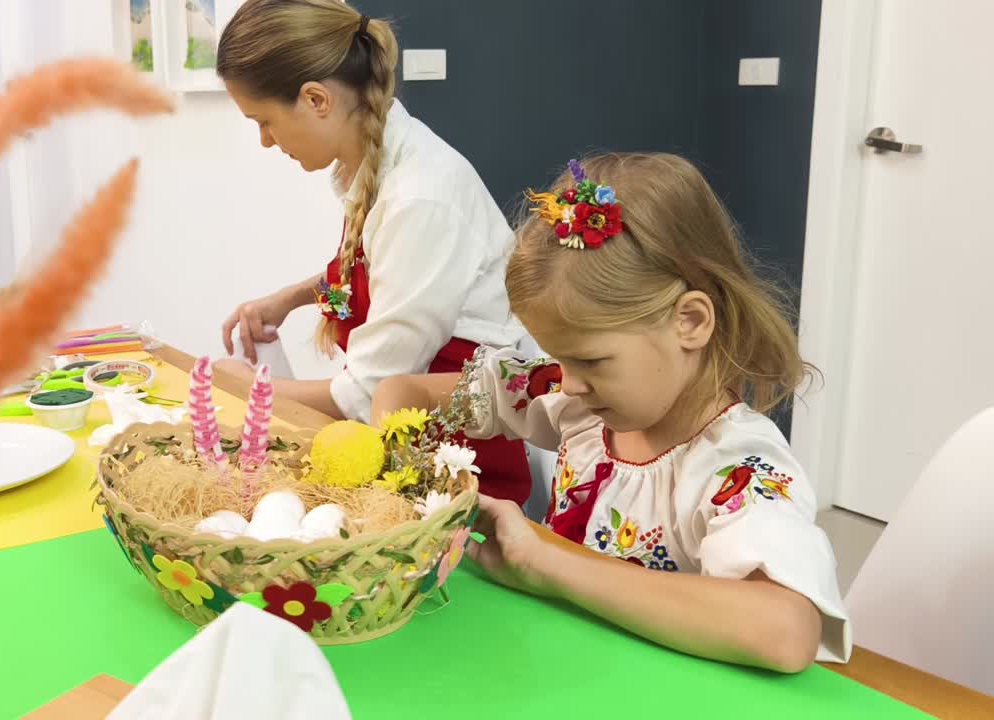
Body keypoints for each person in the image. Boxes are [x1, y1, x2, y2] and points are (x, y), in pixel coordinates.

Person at [371, 153, 850, 672]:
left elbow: (785, 631)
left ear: (690, 321)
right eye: (558, 358)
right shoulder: (575, 400)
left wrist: (547, 563)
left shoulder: (737, 468)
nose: (568, 382)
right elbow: (401, 392)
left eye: (591, 359)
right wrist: (406, 467)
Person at [212, 0, 532, 504]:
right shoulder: (374, 161)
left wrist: (247, 389)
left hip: (457, 471)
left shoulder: (420, 196)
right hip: (408, 447)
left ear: (317, 99)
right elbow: (376, 270)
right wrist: (290, 298)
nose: (266, 142)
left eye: (265, 121)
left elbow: (365, 395)